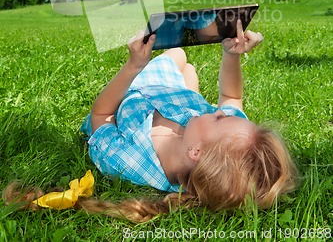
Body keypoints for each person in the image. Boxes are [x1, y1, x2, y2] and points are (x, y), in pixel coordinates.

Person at [4, 20, 298, 223]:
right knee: (187, 72)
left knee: (178, 54)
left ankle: (187, 78)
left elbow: (101, 115)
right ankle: (188, 83)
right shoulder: (217, 142)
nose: (222, 112)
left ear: (196, 151)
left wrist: (134, 66)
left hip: (139, 91)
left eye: (220, 119)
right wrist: (231, 55)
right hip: (177, 99)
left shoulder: (128, 159)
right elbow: (231, 98)